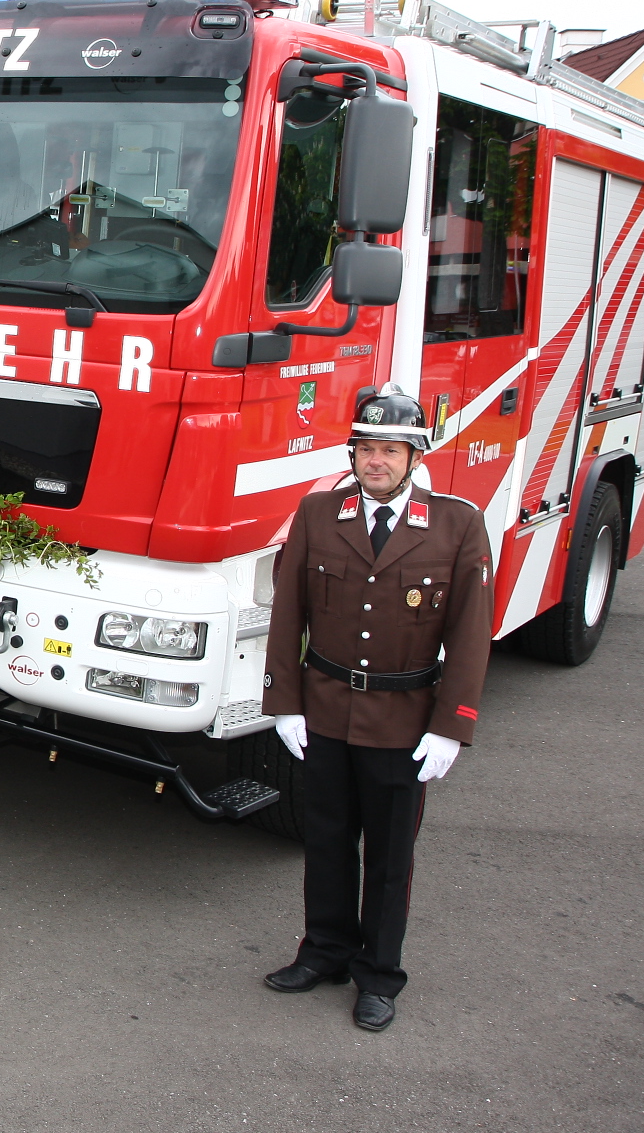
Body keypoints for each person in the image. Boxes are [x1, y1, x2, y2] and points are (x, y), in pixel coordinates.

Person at [260, 384, 492, 1033]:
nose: (376, 461)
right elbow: (288, 616)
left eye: (391, 449)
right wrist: (284, 702)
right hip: (327, 711)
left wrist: (452, 726)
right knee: (327, 842)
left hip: (404, 722)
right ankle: (325, 952)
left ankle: (379, 975)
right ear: (352, 453)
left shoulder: (456, 525)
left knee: (389, 859)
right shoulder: (316, 516)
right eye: (366, 449)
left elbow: (470, 633)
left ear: (416, 456)